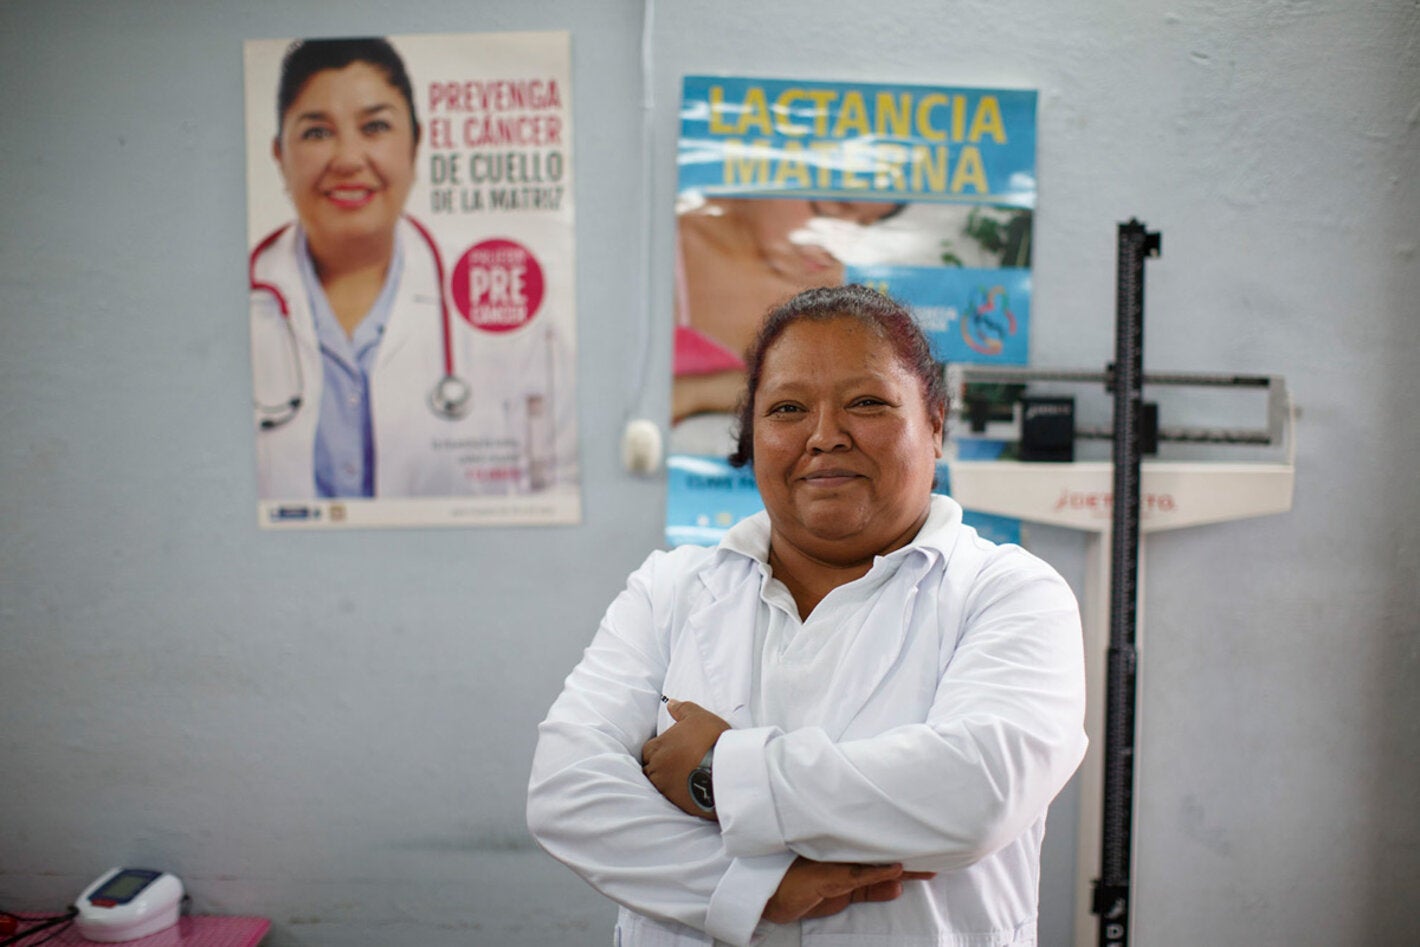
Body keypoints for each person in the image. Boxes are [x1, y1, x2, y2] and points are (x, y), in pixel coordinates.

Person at [529, 284, 1087, 945]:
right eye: (788, 408)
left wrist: (716, 772)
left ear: (936, 423)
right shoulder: (670, 588)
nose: (825, 436)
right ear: (753, 434)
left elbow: (977, 791)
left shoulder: (1010, 592)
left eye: (867, 403)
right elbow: (566, 789)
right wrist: (747, 887)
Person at [249, 38, 573, 500]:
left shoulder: (499, 298)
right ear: (279, 154)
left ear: (416, 144)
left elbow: (563, 481)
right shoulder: (238, 302)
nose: (347, 159)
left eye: (375, 126)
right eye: (317, 132)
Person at [673, 198, 903, 425]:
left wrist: (698, 393)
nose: (838, 242)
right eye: (830, 207)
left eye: (864, 224)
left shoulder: (845, 295)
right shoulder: (664, 242)